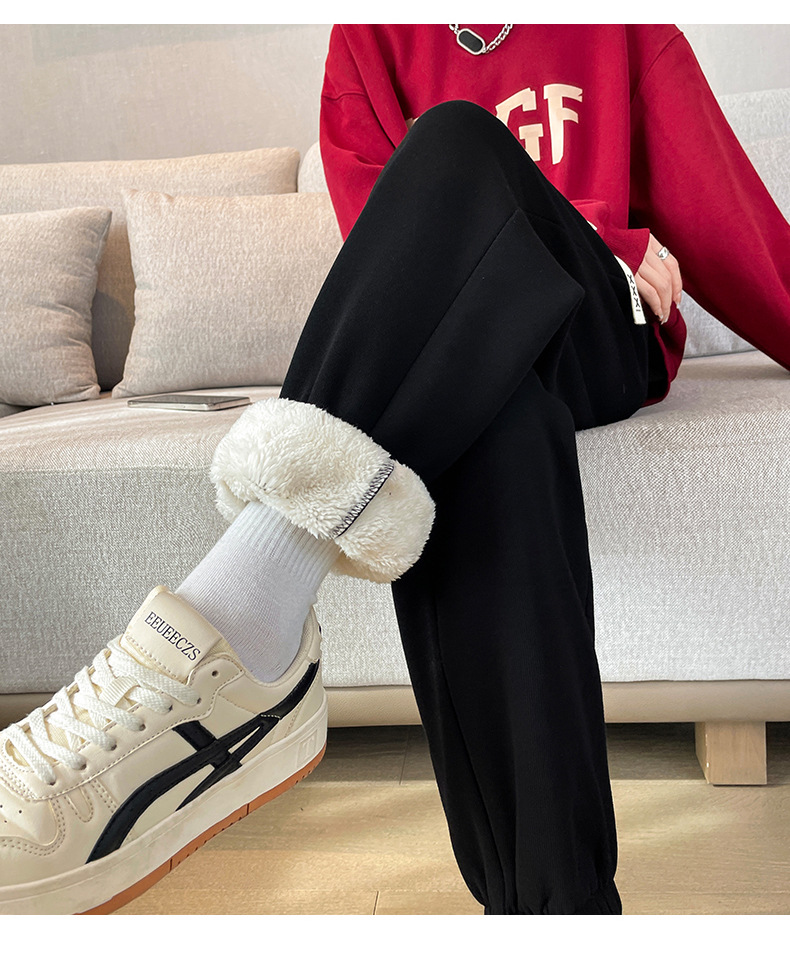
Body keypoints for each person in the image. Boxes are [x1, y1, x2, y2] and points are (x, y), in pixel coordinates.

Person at [0, 24, 788, 917]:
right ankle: (555, 912)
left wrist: (598, 236)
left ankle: (236, 620)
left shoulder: (620, 27)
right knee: (499, 426)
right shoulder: (371, 38)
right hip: (474, 337)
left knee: (455, 135)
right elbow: (391, 243)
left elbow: (736, 225)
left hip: (598, 324)